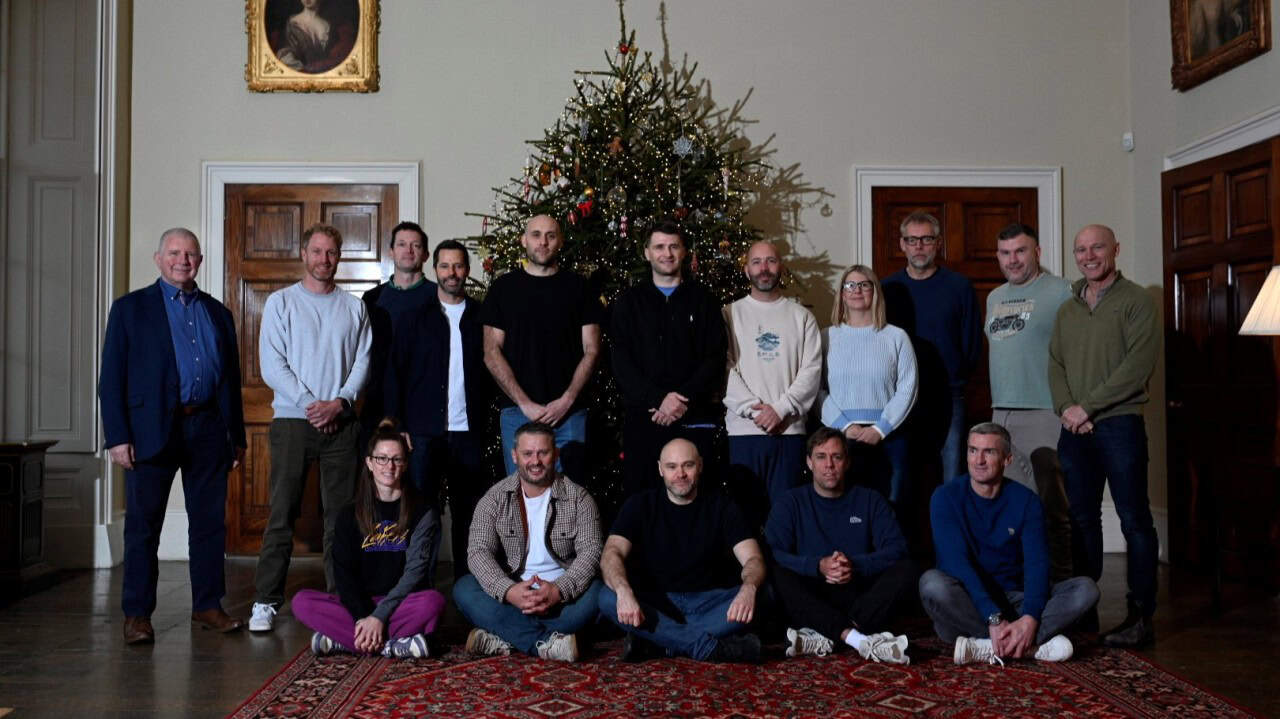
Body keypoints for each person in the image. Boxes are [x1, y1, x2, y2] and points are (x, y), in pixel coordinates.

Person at [99, 228, 247, 644]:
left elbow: (230, 381)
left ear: (200, 261)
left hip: (208, 428)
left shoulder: (218, 313)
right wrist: (117, 437)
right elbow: (111, 379)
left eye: (191, 254)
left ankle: (208, 605)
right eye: (175, 253)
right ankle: (137, 615)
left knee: (209, 524)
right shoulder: (130, 309)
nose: (183, 260)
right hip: (150, 430)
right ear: (159, 258)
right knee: (143, 526)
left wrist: (236, 435)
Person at [250, 223, 372, 633]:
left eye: (331, 252)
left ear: (339, 257)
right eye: (317, 251)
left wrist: (340, 402)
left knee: (341, 519)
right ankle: (265, 601)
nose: (324, 259)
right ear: (303, 254)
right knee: (281, 512)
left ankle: (342, 598)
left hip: (342, 424)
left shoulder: (354, 307)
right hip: (292, 421)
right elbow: (272, 364)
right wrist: (309, 404)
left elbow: (363, 361)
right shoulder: (281, 303)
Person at [1049, 224, 1160, 648]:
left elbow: (1137, 366)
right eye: (1081, 250)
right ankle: (1083, 611)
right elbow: (1055, 363)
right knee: (1080, 519)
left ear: (1116, 249)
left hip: (1120, 424)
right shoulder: (1068, 309)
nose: (1089, 256)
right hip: (1074, 428)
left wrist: (1088, 407)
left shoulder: (1137, 301)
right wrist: (1067, 408)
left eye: (1097, 247)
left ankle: (1140, 617)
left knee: (1134, 520)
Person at [919, 423, 1100, 665]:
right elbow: (957, 564)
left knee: (1086, 589)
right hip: (969, 601)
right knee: (932, 584)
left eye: (989, 452)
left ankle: (988, 645)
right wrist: (992, 617)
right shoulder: (945, 497)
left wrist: (1031, 617)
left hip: (1015, 601)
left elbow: (1037, 566)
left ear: (1007, 459)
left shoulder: (1027, 502)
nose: (978, 460)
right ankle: (1028, 646)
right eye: (973, 450)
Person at [599, 439, 767, 663]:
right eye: (672, 467)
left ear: (700, 466)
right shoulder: (640, 504)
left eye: (688, 465)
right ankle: (706, 647)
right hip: (657, 604)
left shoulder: (722, 506)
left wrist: (749, 588)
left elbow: (753, 558)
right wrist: (623, 591)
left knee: (763, 593)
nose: (680, 474)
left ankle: (659, 643)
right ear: (660, 469)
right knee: (606, 597)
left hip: (708, 603)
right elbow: (611, 553)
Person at [291, 420, 446, 658]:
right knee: (302, 602)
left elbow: (414, 574)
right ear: (369, 463)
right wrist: (365, 617)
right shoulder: (348, 514)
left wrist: (379, 617)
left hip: (401, 603)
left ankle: (346, 641)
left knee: (433, 602)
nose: (389, 466)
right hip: (360, 605)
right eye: (381, 458)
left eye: (396, 459)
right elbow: (344, 576)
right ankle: (394, 645)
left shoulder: (423, 511)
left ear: (405, 464)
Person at [452, 422, 603, 662]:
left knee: (598, 590)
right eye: (527, 454)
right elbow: (478, 551)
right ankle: (547, 643)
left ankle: (506, 635)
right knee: (464, 588)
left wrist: (558, 590)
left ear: (555, 454)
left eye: (543, 453)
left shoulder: (579, 498)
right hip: (513, 598)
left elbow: (591, 552)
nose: (535, 461)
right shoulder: (494, 498)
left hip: (562, 601)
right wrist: (509, 590)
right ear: (514, 456)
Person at [385, 239, 491, 580]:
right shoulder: (415, 318)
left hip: (469, 434)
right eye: (445, 266)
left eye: (458, 266)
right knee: (421, 512)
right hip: (423, 433)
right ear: (435, 269)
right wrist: (398, 424)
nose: (451, 273)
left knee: (469, 514)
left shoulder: (482, 317)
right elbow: (395, 373)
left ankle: (466, 588)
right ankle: (419, 588)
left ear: (467, 270)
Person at [766, 428, 916, 663]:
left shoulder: (870, 500)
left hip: (858, 595)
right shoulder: (791, 502)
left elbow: (897, 548)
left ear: (847, 462)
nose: (829, 465)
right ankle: (856, 638)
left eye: (836, 457)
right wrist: (817, 566)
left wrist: (853, 565)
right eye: (821, 457)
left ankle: (829, 634)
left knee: (907, 568)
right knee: (777, 574)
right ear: (809, 462)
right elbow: (774, 552)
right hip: (812, 594)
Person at [610, 219, 727, 498]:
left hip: (693, 415)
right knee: (643, 499)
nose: (667, 253)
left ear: (684, 251)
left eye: (674, 246)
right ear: (647, 253)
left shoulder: (704, 300)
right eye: (659, 247)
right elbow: (620, 361)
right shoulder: (629, 302)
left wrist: (681, 399)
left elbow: (715, 357)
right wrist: (657, 398)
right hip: (644, 419)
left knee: (697, 499)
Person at [482, 215, 603, 486]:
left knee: (570, 498)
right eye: (536, 235)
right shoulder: (503, 288)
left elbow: (592, 349)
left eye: (550, 235)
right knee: (521, 496)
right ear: (524, 240)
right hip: (517, 413)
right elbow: (491, 352)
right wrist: (524, 403)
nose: (543, 242)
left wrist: (567, 400)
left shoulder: (579, 287)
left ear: (560, 241)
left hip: (569, 413)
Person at [985, 223, 1074, 581]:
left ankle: (1064, 587)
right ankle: (1023, 586)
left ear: (1037, 252)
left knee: (1051, 506)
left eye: (1020, 251)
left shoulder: (1062, 291)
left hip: (1044, 411)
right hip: (1001, 413)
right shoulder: (994, 297)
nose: (1013, 260)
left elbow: (1077, 349)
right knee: (1011, 507)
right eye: (1005, 253)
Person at [723, 241, 823, 530]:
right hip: (744, 433)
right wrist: (754, 410)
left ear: (781, 267)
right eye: (756, 262)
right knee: (744, 518)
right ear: (746, 270)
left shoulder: (802, 317)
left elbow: (811, 371)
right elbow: (723, 368)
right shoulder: (729, 314)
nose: (763, 268)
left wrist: (780, 409)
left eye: (770, 261)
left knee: (785, 519)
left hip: (788, 433)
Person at [882, 210, 981, 484]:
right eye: (912, 240)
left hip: (949, 393)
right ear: (902, 244)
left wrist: (958, 377)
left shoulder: (959, 287)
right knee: (903, 475)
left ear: (938, 243)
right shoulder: (887, 288)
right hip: (900, 396)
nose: (919, 246)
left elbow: (972, 342)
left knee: (952, 472)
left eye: (926, 239)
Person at [819, 265, 917, 507]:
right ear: (842, 294)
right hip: (840, 437)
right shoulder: (826, 337)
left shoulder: (896, 337)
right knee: (846, 507)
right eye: (850, 285)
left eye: (864, 285)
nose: (857, 290)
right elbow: (816, 390)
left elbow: (908, 387)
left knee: (892, 507)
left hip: (889, 436)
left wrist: (880, 428)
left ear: (875, 292)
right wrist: (844, 426)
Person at [360, 221, 436, 450]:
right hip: (377, 404)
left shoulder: (438, 297)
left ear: (426, 254)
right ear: (391, 251)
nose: (408, 250)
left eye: (416, 245)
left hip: (424, 406)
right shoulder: (372, 299)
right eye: (402, 244)